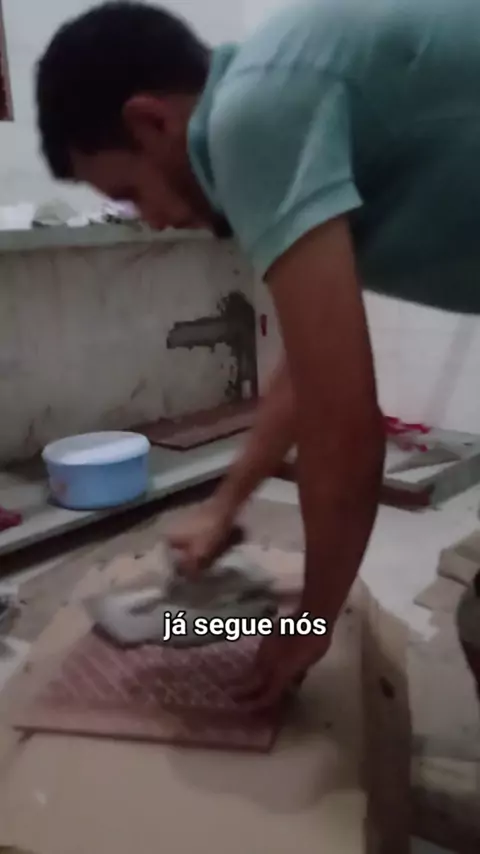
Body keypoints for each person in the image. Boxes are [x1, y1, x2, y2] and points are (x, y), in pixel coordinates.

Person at [36, 0, 480, 708]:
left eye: (131, 192)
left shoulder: (254, 114)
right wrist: (227, 504)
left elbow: (344, 429)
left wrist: (309, 624)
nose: (152, 221)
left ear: (152, 121)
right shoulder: (282, 99)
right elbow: (308, 373)